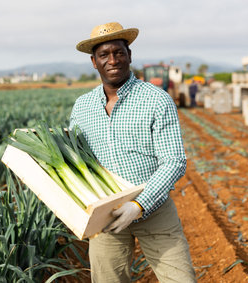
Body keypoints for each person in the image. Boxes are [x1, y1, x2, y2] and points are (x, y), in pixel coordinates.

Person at [70, 22, 196, 283]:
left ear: (129, 56)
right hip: (105, 214)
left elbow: (174, 161)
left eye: (119, 53)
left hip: (154, 209)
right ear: (94, 62)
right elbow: (76, 158)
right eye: (104, 55)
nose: (112, 60)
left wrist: (138, 205)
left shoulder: (156, 99)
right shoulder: (82, 107)